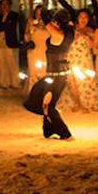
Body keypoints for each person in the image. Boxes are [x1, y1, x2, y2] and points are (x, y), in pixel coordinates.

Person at [23, 9, 75, 141]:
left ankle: (66, 134)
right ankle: (49, 129)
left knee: (48, 106)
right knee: (38, 94)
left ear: (58, 22)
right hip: (53, 75)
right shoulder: (69, 32)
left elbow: (46, 21)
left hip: (56, 77)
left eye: (54, 21)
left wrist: (43, 10)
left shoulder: (58, 34)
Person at [56, 8, 98, 113]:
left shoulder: (91, 30)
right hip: (72, 56)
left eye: (85, 17)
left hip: (84, 58)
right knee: (73, 81)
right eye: (81, 17)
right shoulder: (71, 28)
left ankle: (85, 103)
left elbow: (93, 46)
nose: (83, 19)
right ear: (77, 18)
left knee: (84, 81)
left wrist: (85, 36)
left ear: (89, 19)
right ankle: (77, 103)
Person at [0, 0, 20, 89]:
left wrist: (1, 26)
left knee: (12, 63)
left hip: (10, 42)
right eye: (2, 5)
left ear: (10, 5)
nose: (4, 7)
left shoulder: (13, 15)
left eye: (6, 4)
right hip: (0, 42)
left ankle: (15, 83)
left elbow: (9, 27)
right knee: (2, 64)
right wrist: (1, 26)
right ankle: (4, 83)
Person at [25, 5, 50, 90]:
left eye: (41, 14)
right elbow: (26, 39)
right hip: (34, 52)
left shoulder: (50, 25)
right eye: (37, 14)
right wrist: (29, 27)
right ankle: (33, 96)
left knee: (45, 74)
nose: (39, 16)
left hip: (46, 52)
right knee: (34, 74)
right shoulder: (32, 24)